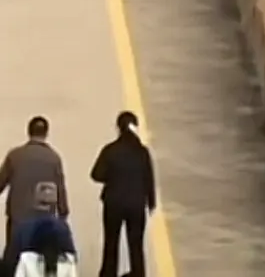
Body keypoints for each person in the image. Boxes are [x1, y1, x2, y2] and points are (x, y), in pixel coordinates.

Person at [0, 120, 68, 251]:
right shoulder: (54, 158)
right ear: (46, 133)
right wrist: (63, 211)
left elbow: (2, 179)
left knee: (15, 252)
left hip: (18, 215)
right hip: (44, 217)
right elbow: (60, 187)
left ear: (28, 132)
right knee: (38, 253)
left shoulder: (15, 155)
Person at [90, 112, 156, 277]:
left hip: (114, 203)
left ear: (118, 128)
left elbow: (96, 174)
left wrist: (112, 176)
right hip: (136, 204)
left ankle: (109, 272)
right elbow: (149, 177)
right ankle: (138, 273)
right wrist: (151, 201)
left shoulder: (110, 150)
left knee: (111, 241)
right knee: (136, 243)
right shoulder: (142, 152)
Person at [8, 187, 76, 270]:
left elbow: (10, 262)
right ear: (54, 203)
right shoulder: (62, 228)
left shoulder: (22, 227)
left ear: (35, 201)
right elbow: (72, 260)